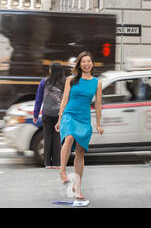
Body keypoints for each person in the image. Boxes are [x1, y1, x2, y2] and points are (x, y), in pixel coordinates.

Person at [55, 51, 104, 200]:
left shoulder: (97, 82)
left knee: (80, 152)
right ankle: (62, 171)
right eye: (83, 61)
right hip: (70, 115)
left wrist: (98, 124)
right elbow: (64, 100)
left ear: (92, 64)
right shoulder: (71, 79)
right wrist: (59, 118)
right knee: (69, 138)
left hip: (84, 119)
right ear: (79, 64)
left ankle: (78, 187)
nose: (86, 64)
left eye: (89, 61)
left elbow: (98, 105)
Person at [33, 62, 65, 169]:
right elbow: (67, 99)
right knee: (57, 138)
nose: (49, 70)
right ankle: (56, 163)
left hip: (46, 114)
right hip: (58, 114)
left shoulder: (44, 81)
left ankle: (47, 163)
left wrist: (35, 114)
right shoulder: (64, 83)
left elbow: (38, 99)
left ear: (52, 70)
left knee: (47, 138)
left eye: (50, 69)